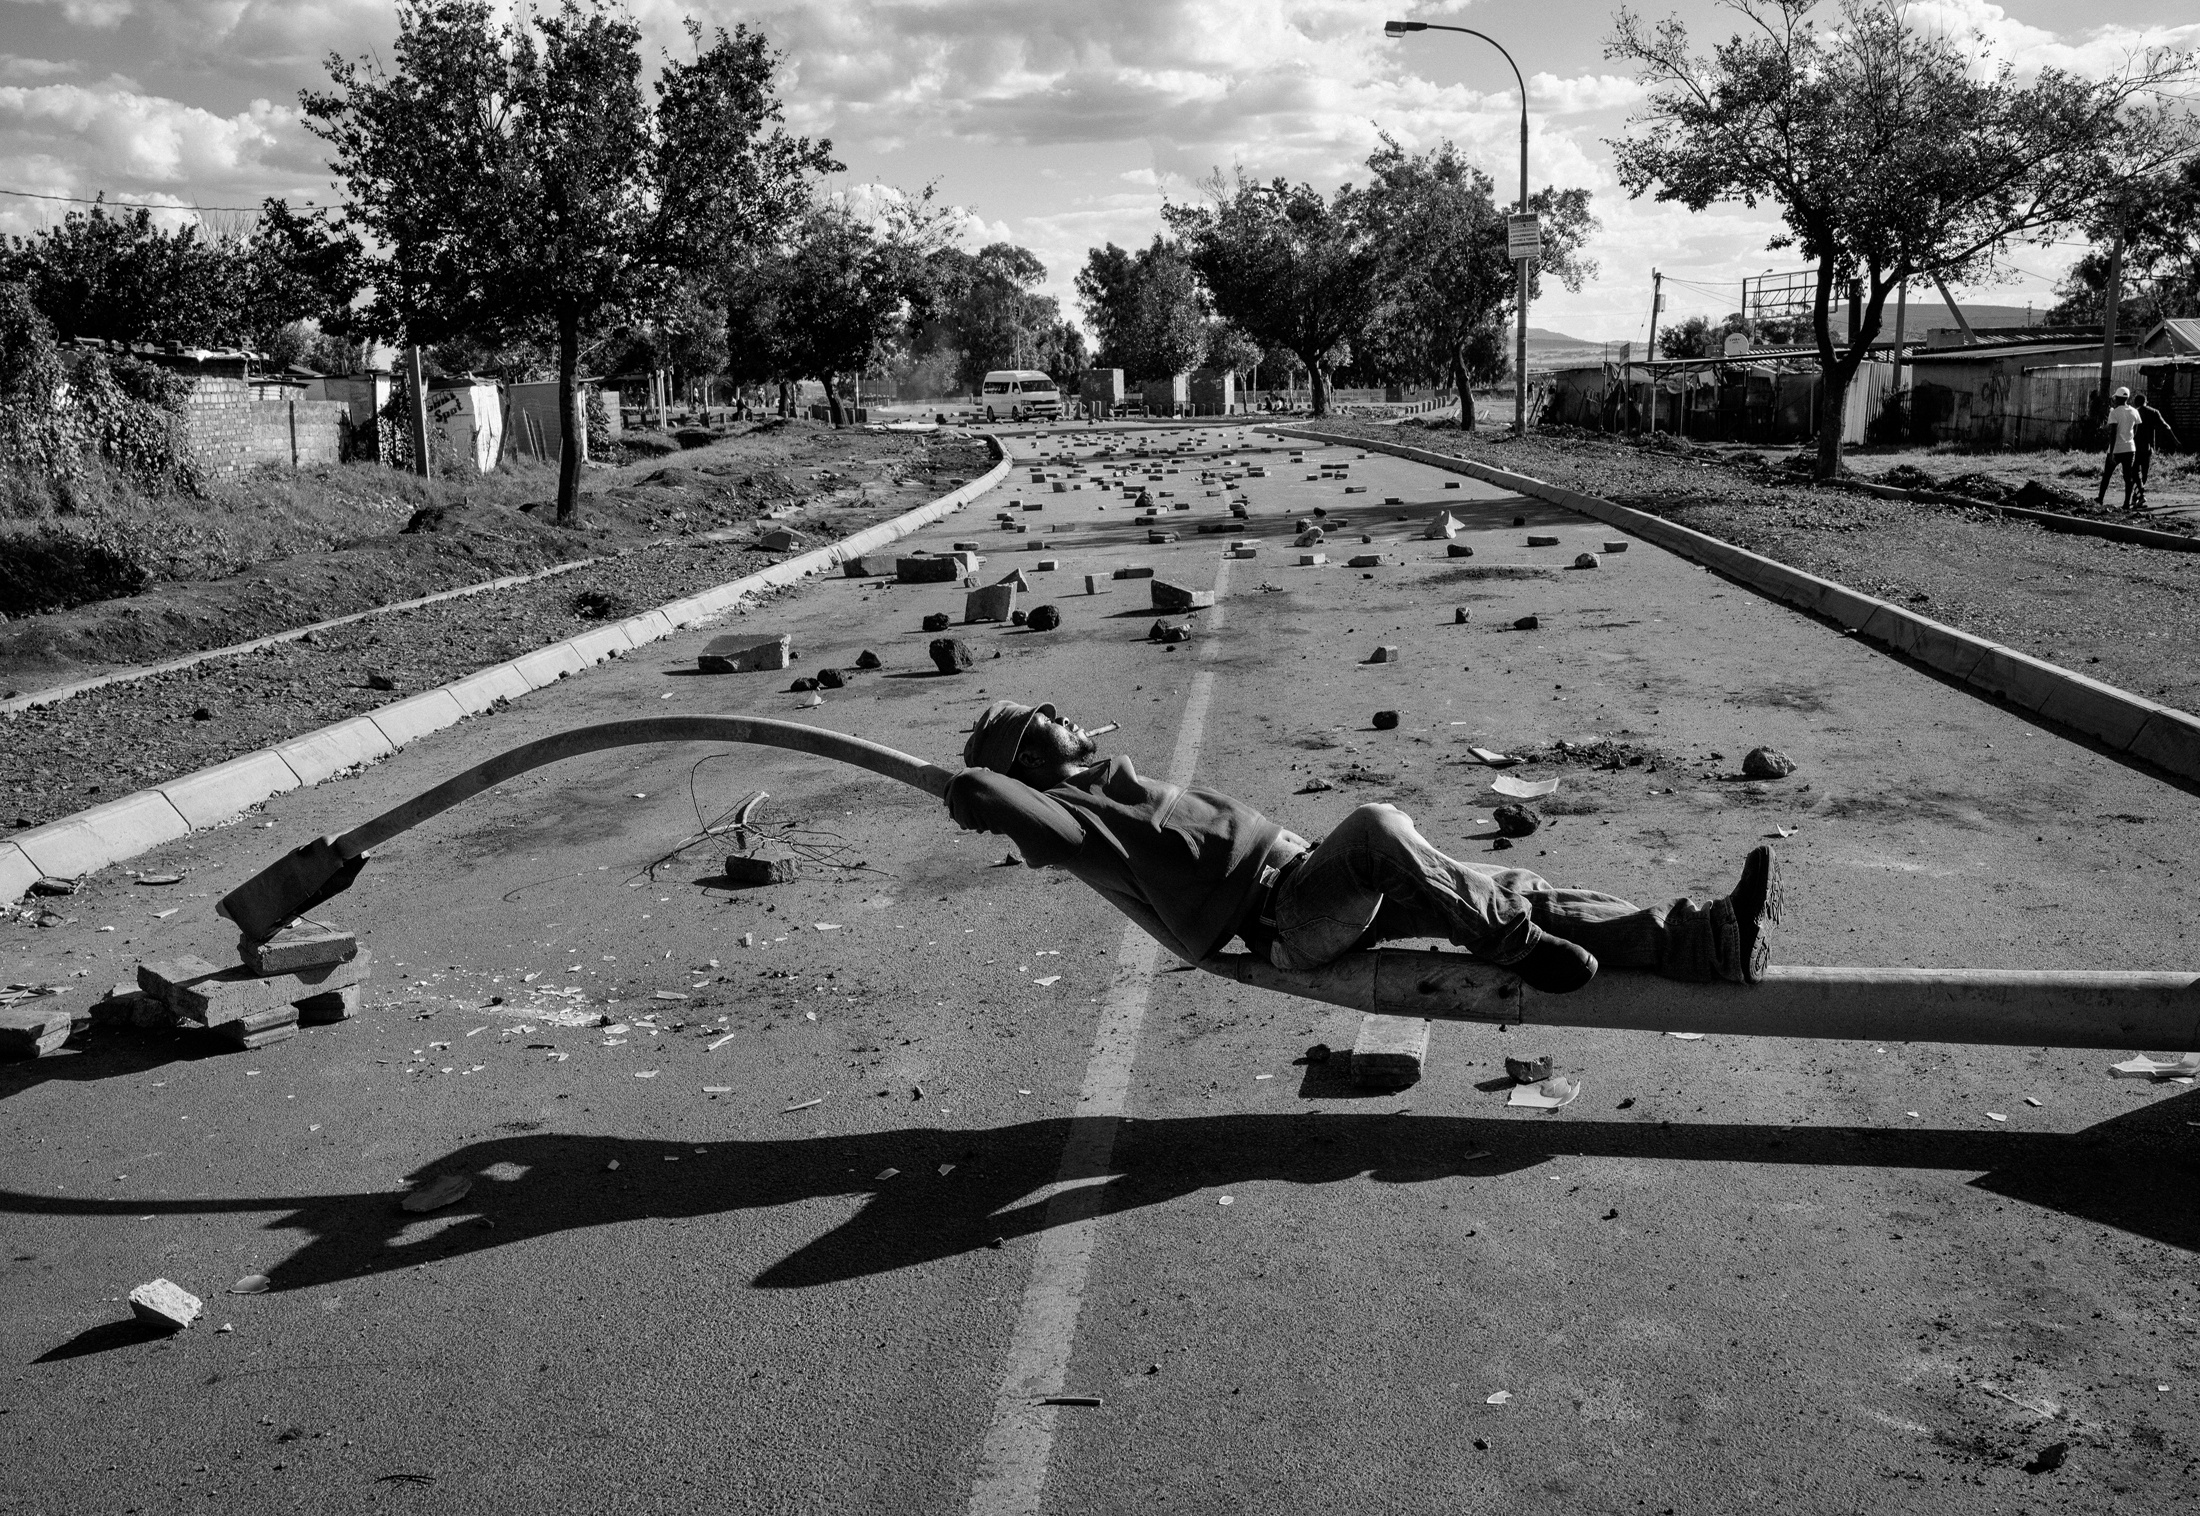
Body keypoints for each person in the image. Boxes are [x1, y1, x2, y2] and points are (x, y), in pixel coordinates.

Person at [944, 701, 1782, 994]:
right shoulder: (1073, 817)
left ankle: (1713, 941)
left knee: (1514, 878)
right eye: (1041, 720)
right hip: (1289, 921)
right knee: (1380, 825)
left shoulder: (1107, 779)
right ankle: (1516, 946)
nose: (1062, 715)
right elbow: (987, 798)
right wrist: (970, 787)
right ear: (1027, 759)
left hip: (1310, 885)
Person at [2134, 391, 2182, 507]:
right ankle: (2137, 497)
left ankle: (2137, 496)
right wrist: (2175, 441)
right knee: (2144, 473)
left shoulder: (2133, 412)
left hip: (2133, 446)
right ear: (2146, 402)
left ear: (2136, 403)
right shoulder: (2153, 412)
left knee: (2134, 472)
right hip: (2147, 447)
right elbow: (2166, 426)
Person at [2099, 387, 2143, 509]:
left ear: (2117, 398)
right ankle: (2126, 503)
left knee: (2107, 475)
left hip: (2116, 448)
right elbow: (2136, 431)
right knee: (2128, 476)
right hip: (2130, 448)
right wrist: (2128, 439)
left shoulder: (2114, 412)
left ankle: (2100, 498)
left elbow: (2112, 433)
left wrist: (2112, 452)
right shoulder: (2134, 411)